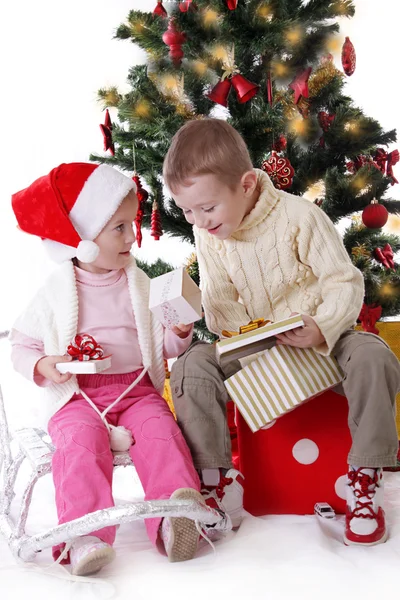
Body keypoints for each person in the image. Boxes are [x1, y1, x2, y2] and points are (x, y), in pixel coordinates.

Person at [163, 118, 400, 547]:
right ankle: (217, 481)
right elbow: (220, 304)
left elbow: (343, 283)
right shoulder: (209, 234)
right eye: (187, 211)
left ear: (248, 183)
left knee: (374, 354)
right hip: (256, 345)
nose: (198, 220)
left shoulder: (300, 217)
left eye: (208, 208)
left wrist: (322, 327)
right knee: (192, 364)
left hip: (319, 335)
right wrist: (245, 343)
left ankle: (365, 478)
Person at [9, 162, 205, 576]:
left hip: (135, 390)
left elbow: (163, 347)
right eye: (118, 227)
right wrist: (44, 364)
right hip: (77, 395)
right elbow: (22, 345)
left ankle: (175, 517)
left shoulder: (142, 285)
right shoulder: (55, 292)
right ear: (83, 238)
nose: (131, 236)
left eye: (131, 225)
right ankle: (83, 537)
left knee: (161, 431)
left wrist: (181, 332)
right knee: (79, 443)